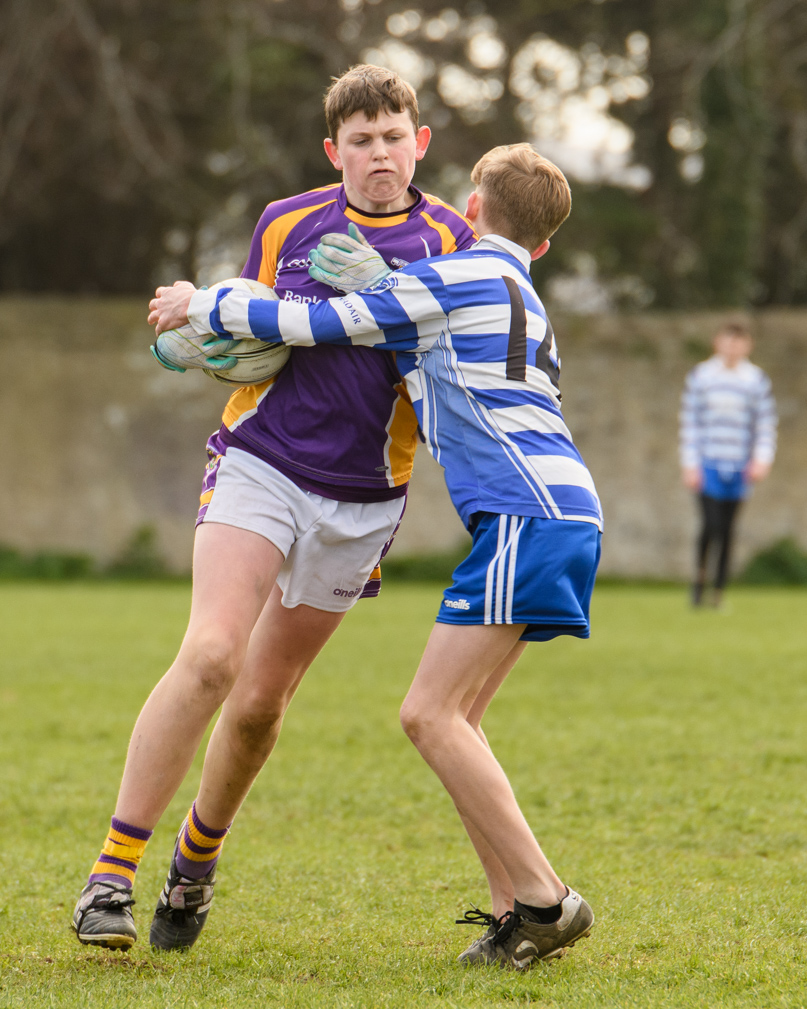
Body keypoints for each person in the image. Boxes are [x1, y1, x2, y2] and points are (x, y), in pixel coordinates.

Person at [154, 143, 602, 969]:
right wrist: (381, 286)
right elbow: (412, 334)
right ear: (542, 246)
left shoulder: (456, 275)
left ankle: (544, 898)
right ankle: (511, 913)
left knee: (427, 715)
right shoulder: (520, 294)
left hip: (523, 513)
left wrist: (204, 303)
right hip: (563, 513)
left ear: (469, 211)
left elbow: (311, 324)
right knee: (459, 717)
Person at [71, 64, 476, 952]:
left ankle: (197, 857)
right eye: (360, 141)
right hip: (261, 461)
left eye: (392, 137)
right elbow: (256, 333)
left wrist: (388, 303)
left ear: (421, 142)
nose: (378, 154)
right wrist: (215, 344)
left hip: (364, 498)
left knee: (260, 702)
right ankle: (112, 871)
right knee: (212, 653)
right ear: (333, 151)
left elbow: (450, 380)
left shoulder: (454, 239)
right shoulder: (285, 221)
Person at [679, 320, 777, 607]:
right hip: (708, 463)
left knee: (729, 529)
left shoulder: (756, 380)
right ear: (717, 342)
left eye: (739, 341)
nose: (733, 347)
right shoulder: (701, 376)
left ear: (748, 345)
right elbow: (690, 423)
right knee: (711, 525)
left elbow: (765, 424)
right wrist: (690, 464)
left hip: (739, 466)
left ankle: (719, 592)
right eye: (728, 340)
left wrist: (762, 459)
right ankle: (699, 582)